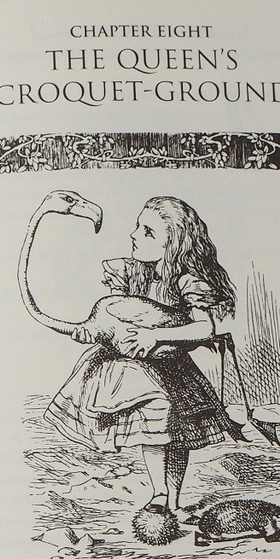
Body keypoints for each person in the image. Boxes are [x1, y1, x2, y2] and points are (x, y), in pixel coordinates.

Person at [43, 195, 237, 540]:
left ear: (173, 244)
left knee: (179, 434)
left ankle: (173, 501)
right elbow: (115, 314)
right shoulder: (130, 271)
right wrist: (103, 329)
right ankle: (159, 494)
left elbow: (204, 328)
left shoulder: (186, 281)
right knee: (156, 419)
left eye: (147, 232)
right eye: (137, 226)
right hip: (134, 365)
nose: (134, 235)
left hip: (171, 364)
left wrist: (156, 335)